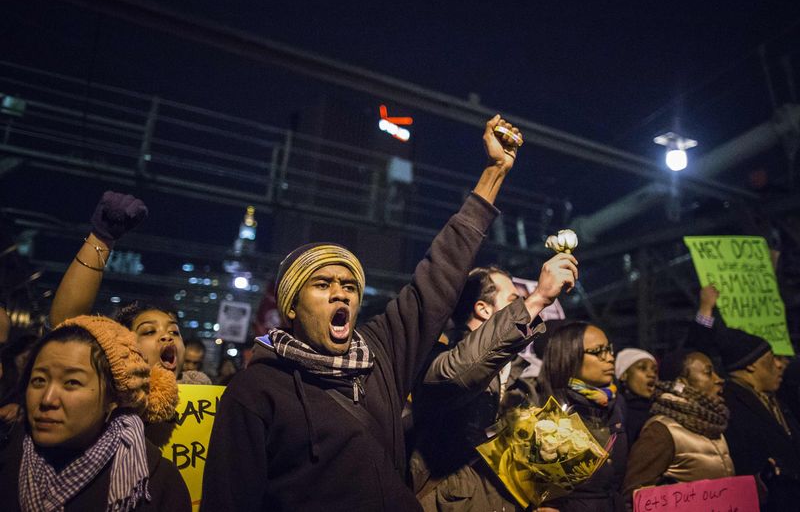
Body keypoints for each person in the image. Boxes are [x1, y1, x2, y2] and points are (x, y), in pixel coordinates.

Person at [201, 115, 523, 511]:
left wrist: (493, 173)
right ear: (290, 307)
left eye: (349, 286)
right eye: (322, 285)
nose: (341, 294)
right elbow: (229, 500)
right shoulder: (256, 391)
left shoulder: (381, 353)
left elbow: (439, 274)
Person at [411, 262, 576, 512]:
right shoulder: (438, 360)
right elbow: (460, 372)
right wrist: (538, 299)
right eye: (514, 300)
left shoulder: (519, 376)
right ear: (483, 309)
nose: (521, 306)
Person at [0, 315, 189, 511]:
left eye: (72, 382)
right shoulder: (5, 454)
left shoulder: (157, 482)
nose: (47, 399)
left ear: (113, 398)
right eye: (39, 380)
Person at [49, 193, 210, 385]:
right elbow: (64, 329)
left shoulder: (204, 396)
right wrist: (101, 238)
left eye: (175, 332)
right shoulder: (107, 394)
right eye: (149, 332)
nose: (167, 337)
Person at [622, 350, 733, 507]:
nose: (719, 379)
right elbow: (634, 497)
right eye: (708, 373)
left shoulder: (713, 428)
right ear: (683, 383)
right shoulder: (662, 430)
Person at [537, 321, 628, 512]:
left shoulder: (615, 404)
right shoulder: (547, 410)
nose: (610, 358)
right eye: (598, 351)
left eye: (609, 349)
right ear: (569, 356)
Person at [720, 327, 800, 512]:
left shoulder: (775, 398)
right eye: (772, 358)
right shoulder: (729, 403)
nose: (780, 365)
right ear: (751, 364)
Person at [615, 348, 658, 444]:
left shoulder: (660, 410)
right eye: (642, 368)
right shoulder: (616, 412)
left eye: (655, 370)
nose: (652, 374)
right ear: (624, 375)